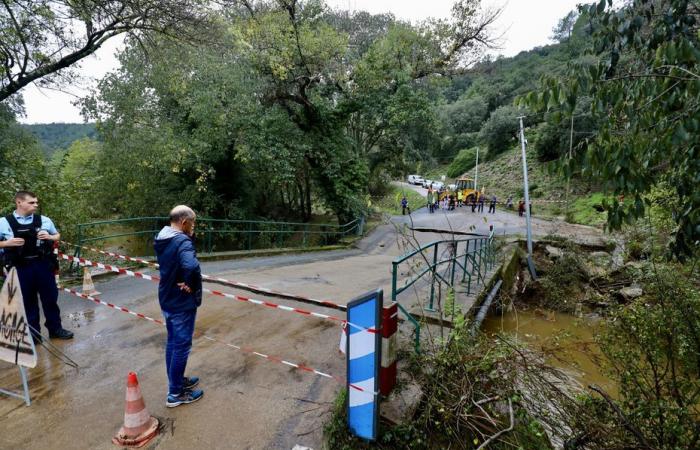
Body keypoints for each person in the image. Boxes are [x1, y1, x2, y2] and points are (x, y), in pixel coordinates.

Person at [0, 191, 73, 342]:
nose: (36, 205)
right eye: (31, 202)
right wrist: (6, 243)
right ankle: (34, 336)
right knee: (28, 301)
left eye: (36, 202)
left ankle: (55, 329)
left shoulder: (44, 220)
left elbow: (57, 235)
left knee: (50, 298)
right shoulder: (4, 222)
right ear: (19, 202)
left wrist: (50, 237)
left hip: (43, 265)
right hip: (20, 267)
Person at [155, 205, 204, 408]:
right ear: (184, 222)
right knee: (182, 346)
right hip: (181, 301)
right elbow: (190, 265)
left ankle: (176, 381)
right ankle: (175, 394)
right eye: (192, 224)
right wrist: (190, 284)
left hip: (167, 297)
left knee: (173, 342)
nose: (193, 228)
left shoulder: (162, 237)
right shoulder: (181, 240)